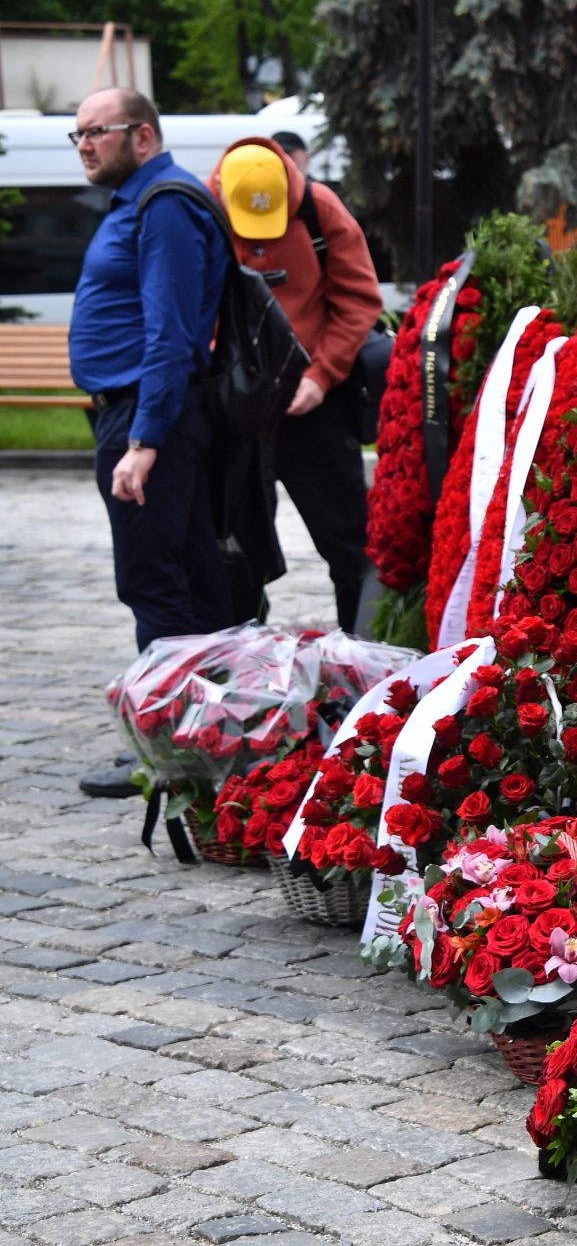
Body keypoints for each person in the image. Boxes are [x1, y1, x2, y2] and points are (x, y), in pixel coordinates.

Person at [68, 89, 230, 800]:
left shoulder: (163, 202)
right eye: (76, 134)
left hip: (149, 418)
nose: (82, 145)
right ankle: (206, 748)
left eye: (94, 132)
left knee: (154, 582)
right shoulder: (143, 199)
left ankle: (168, 759)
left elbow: (170, 331)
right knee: (187, 578)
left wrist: (144, 438)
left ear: (141, 133)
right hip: (137, 413)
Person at [209, 137, 383, 631]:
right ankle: (237, 655)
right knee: (235, 547)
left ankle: (365, 652)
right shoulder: (202, 205)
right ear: (221, 189)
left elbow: (358, 302)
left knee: (351, 542)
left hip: (315, 407)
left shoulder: (320, 208)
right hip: (236, 411)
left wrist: (321, 377)